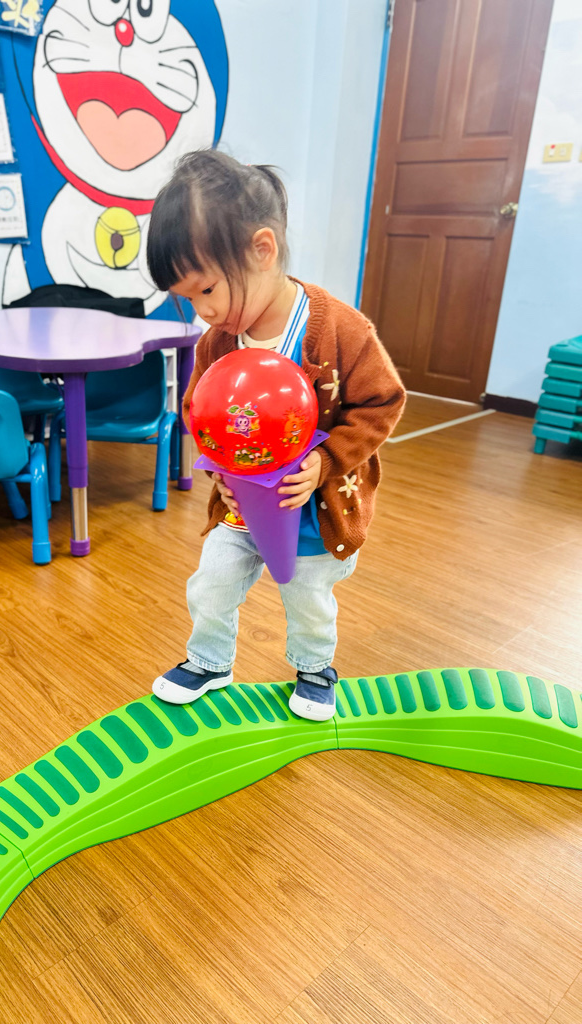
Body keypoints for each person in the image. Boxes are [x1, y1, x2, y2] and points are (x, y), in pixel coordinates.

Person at [145, 150, 406, 721]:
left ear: (262, 250)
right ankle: (209, 661)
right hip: (243, 504)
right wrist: (219, 469)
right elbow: (197, 409)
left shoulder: (340, 330)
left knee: (307, 596)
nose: (201, 311)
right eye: (187, 299)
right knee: (212, 581)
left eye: (206, 290)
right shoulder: (217, 341)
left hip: (316, 507)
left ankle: (314, 670)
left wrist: (327, 461)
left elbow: (383, 401)